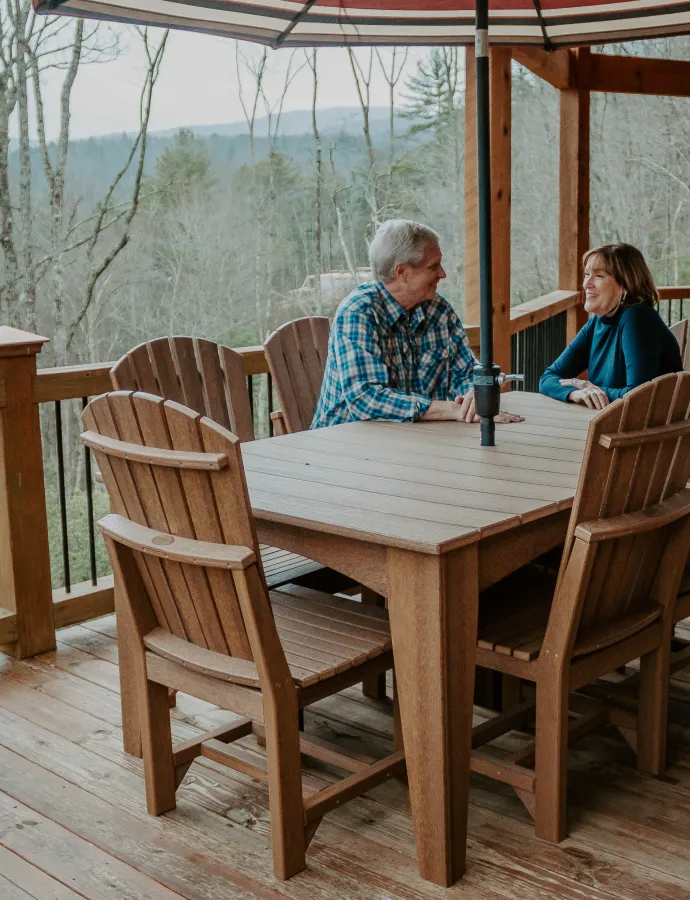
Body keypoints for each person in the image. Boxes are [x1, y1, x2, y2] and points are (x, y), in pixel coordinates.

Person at [311, 219, 524, 428]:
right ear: (401, 272)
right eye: (433, 266)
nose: (443, 273)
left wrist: (473, 395)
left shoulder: (439, 310)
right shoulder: (358, 312)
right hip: (344, 445)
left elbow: (466, 372)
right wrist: (452, 409)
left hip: (414, 439)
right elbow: (366, 399)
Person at [539, 243, 682, 410]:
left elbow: (639, 396)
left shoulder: (638, 318)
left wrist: (589, 388)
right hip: (613, 423)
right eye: (587, 274)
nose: (586, 284)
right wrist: (575, 393)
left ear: (626, 284)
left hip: (648, 431)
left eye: (599, 276)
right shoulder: (597, 322)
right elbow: (547, 378)